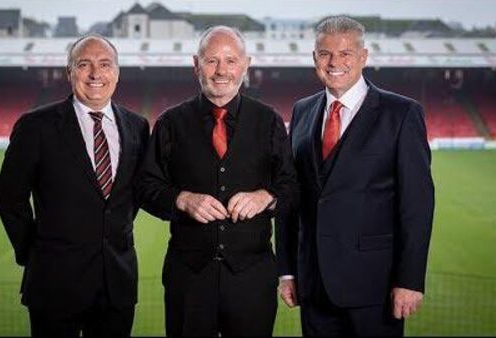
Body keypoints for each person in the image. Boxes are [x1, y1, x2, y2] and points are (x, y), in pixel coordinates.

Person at [277, 16, 435, 336]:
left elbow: (416, 205)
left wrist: (409, 280)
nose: (335, 62)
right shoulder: (302, 111)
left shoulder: (401, 114)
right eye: (325, 54)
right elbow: (291, 198)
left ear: (364, 57)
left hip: (374, 287)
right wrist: (287, 271)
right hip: (313, 283)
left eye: (346, 53)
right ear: (314, 59)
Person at [137, 26, 298, 336]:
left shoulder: (269, 121)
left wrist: (266, 196)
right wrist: (180, 199)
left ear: (246, 64)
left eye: (231, 60)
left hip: (252, 277)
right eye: (212, 60)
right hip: (188, 277)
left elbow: (292, 186)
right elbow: (145, 187)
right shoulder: (170, 122)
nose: (221, 70)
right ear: (196, 64)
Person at [0, 34, 149, 337]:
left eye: (105, 65)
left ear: (116, 73)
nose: (95, 74)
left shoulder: (137, 126)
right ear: (69, 72)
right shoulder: (35, 125)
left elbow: (134, 195)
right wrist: (34, 253)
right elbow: (9, 197)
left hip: (117, 283)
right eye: (84, 64)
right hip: (54, 284)